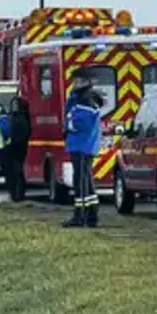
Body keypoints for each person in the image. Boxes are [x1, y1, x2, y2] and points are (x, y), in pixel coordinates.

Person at [63, 81, 103, 228]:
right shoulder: (84, 101)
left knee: (81, 183)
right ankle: (90, 214)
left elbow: (76, 123)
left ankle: (80, 216)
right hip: (83, 146)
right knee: (85, 180)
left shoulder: (85, 103)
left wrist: (68, 124)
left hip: (81, 146)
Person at [2, 96, 32, 201]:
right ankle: (14, 193)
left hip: (18, 147)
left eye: (16, 105)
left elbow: (24, 134)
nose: (14, 107)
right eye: (13, 105)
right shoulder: (12, 117)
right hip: (11, 147)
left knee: (17, 171)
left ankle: (18, 194)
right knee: (12, 171)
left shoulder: (22, 118)